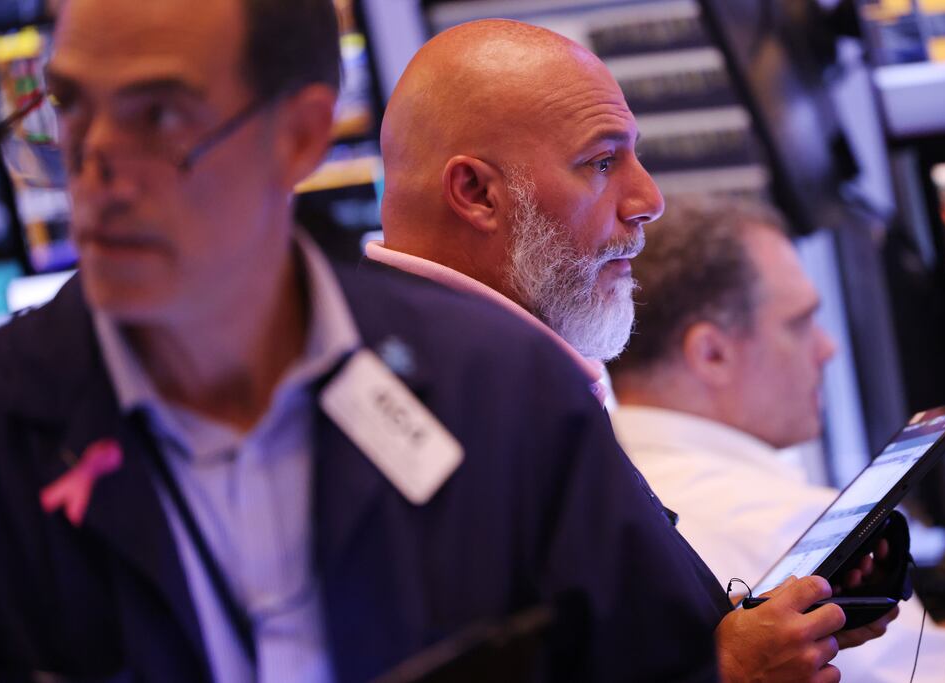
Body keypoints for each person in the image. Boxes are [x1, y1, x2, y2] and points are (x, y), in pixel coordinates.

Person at [0, 1, 742, 681]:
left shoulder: (507, 394)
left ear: (300, 136)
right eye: (70, 109)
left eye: (157, 115)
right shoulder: (5, 427)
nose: (96, 169)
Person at [373, 19, 895, 683]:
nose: (649, 199)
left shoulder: (501, 370)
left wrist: (745, 629)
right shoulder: (426, 401)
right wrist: (730, 671)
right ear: (476, 192)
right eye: (601, 161)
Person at [609, 194, 945, 682]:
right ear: (712, 355)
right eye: (800, 322)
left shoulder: (601, 504)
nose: (827, 348)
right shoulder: (778, 519)